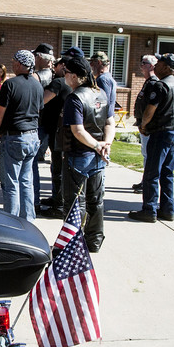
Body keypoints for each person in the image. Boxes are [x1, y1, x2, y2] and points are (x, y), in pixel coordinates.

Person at [61, 54, 113, 252]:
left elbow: (78, 130)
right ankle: (94, 240)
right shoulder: (100, 93)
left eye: (66, 72)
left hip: (79, 155)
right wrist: (104, 143)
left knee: (75, 202)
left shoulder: (75, 98)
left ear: (74, 76)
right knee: (96, 201)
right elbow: (109, 122)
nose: (64, 76)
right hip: (97, 156)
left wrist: (99, 145)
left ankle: (71, 244)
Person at [129, 54, 174, 223]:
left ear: (167, 68)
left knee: (152, 172)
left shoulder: (161, 85)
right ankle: (168, 209)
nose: (156, 66)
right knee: (167, 172)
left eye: (159, 64)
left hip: (162, 132)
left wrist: (144, 126)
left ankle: (149, 210)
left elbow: (150, 110)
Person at [0, 50, 44, 220]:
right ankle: (28, 222)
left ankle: (11, 223)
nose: (12, 63)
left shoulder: (10, 84)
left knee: (10, 183)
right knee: (26, 181)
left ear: (20, 64)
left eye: (14, 61)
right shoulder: (37, 85)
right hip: (32, 136)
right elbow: (38, 110)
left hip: (14, 137)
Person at [37, 55, 71, 217]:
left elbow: (41, 100)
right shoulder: (72, 84)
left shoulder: (59, 83)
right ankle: (57, 198)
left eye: (56, 64)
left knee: (58, 168)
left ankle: (59, 206)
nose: (53, 67)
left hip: (57, 131)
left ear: (63, 66)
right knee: (58, 167)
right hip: (64, 130)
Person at [130, 54, 159, 193]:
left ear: (152, 66)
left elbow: (151, 106)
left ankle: (147, 183)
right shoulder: (148, 82)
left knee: (149, 156)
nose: (141, 66)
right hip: (143, 124)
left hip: (148, 126)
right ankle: (145, 181)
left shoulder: (153, 83)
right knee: (145, 155)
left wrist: (145, 124)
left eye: (144, 63)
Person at [91, 50, 118, 123]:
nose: (90, 65)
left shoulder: (102, 79)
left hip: (103, 119)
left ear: (99, 62)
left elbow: (103, 101)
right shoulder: (108, 77)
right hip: (107, 117)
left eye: (92, 62)